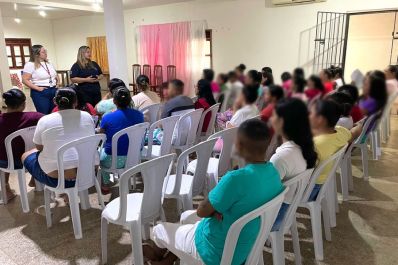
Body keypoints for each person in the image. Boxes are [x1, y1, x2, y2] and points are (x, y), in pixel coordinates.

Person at [146, 119, 284, 265]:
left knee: (159, 230)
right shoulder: (273, 173)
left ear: (239, 146)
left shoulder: (235, 179)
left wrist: (214, 211)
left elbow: (201, 211)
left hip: (212, 252)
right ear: (268, 144)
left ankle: (159, 256)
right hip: (242, 247)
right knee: (186, 217)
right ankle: (168, 259)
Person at [22, 88, 96, 189]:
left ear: (54, 101)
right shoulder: (87, 116)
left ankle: (36, 183)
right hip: (88, 173)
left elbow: (39, 147)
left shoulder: (45, 120)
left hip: (59, 179)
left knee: (27, 155)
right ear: (76, 101)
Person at [98, 87, 144, 193]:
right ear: (130, 100)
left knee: (99, 154)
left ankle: (106, 184)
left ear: (114, 101)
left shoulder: (107, 117)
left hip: (112, 161)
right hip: (134, 157)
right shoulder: (139, 115)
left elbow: (101, 136)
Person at [0, 89, 43, 199]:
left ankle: (5, 187)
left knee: (3, 152)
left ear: (6, 104)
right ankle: (35, 178)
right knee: (39, 148)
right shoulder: (34, 117)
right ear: (23, 104)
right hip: (29, 160)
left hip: (6, 163)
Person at [308, 99, 352, 200]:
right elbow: (355, 132)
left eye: (310, 113)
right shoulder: (342, 131)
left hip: (309, 191)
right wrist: (359, 126)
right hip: (322, 184)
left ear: (320, 120)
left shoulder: (314, 145)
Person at [270, 98, 317, 180]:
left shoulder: (279, 159)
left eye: (273, 115)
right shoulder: (305, 147)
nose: (271, 119)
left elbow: (268, 190)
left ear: (281, 122)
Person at [22, 44, 58, 114]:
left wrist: (58, 82)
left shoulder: (49, 62)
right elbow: (24, 80)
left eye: (45, 51)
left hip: (53, 90)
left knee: (54, 113)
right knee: (43, 114)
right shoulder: (30, 64)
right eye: (43, 52)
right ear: (37, 54)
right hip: (40, 92)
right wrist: (38, 88)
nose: (46, 53)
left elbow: (54, 74)